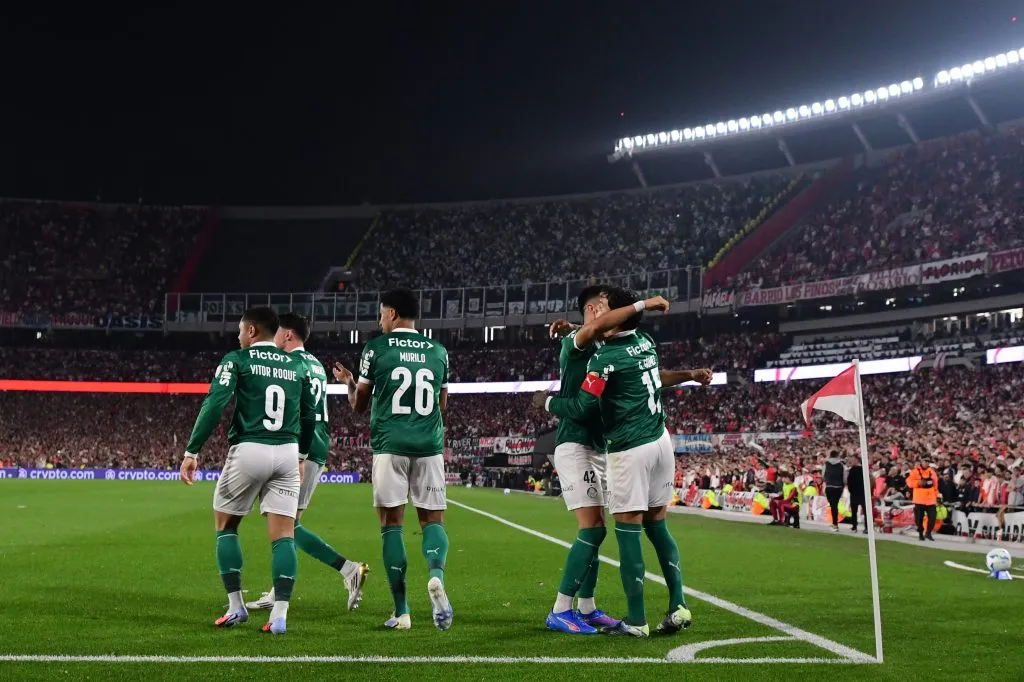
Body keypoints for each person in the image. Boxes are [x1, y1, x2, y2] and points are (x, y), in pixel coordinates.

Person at [543, 287, 712, 635]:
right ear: (594, 312)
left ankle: (599, 611)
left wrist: (689, 375)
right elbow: (592, 332)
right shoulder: (594, 341)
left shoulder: (609, 347)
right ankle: (564, 608)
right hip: (584, 444)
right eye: (604, 310)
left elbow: (617, 363)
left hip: (618, 446)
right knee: (596, 528)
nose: (610, 317)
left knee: (608, 529)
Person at [180, 307, 315, 635]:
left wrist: (192, 450)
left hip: (249, 448)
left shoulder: (237, 360)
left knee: (225, 524)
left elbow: (215, 403)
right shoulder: (298, 364)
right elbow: (310, 415)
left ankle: (237, 606)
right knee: (284, 534)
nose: (238, 337)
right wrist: (301, 454)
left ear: (252, 331)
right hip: (286, 452)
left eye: (241, 331)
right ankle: (280, 614)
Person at [333, 289, 453, 631]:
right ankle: (436, 576)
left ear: (394, 313)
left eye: (382, 313)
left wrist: (349, 383)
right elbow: (441, 405)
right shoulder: (438, 351)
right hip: (429, 445)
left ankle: (402, 612)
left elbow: (359, 405)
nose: (380, 319)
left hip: (390, 445)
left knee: (391, 526)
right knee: (433, 522)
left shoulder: (376, 349)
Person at [247, 312, 369, 613]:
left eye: (277, 333)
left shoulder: (290, 364)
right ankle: (280, 588)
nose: (273, 338)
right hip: (316, 445)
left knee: (285, 525)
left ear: (288, 335)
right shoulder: (314, 364)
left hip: (299, 448)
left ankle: (348, 569)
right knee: (289, 523)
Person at [906, 455, 939, 541]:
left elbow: (935, 486)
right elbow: (909, 482)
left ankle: (928, 533)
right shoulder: (914, 472)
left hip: (930, 499)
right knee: (919, 519)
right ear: (921, 462)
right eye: (925, 461)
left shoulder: (932, 473)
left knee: (932, 517)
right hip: (919, 499)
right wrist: (918, 483)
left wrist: (937, 497)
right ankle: (921, 533)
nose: (926, 463)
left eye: (928, 461)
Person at [823, 450, 844, 532]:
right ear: (837, 455)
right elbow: (844, 477)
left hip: (829, 486)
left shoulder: (826, 464)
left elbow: (823, 475)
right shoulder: (841, 465)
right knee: (835, 504)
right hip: (838, 487)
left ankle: (835, 524)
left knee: (833, 505)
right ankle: (835, 523)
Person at [846, 454, 867, 534]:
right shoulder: (851, 470)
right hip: (854, 493)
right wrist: (850, 490)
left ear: (857, 460)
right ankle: (854, 526)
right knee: (853, 511)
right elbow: (849, 481)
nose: (852, 461)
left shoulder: (863, 469)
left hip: (862, 493)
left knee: (865, 511)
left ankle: (867, 527)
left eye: (853, 460)